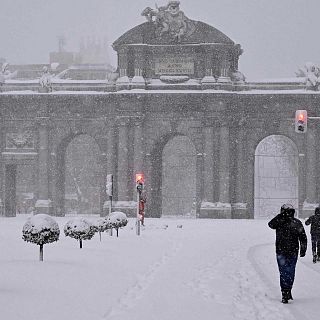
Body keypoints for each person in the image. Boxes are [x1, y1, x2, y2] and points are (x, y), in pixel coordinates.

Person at [268, 204, 307, 304]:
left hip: (284, 251)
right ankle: (286, 291)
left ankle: (286, 290)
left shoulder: (290, 222)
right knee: (288, 272)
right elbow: (270, 224)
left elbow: (303, 237)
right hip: (288, 251)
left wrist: (303, 249)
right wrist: (303, 249)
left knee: (286, 272)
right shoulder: (290, 222)